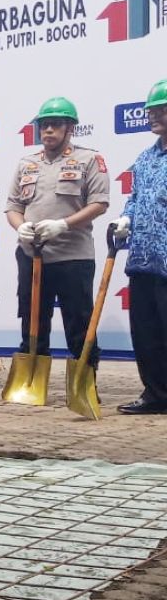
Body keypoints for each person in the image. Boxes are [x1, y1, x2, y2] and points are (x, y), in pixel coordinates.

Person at [4, 97, 109, 379]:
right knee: (33, 321)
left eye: (55, 125)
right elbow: (13, 207)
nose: (48, 131)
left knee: (79, 323)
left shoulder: (89, 160)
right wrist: (20, 227)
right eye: (44, 126)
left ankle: (84, 383)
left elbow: (99, 204)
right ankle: (32, 382)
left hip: (73, 257)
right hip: (32, 255)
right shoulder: (27, 163)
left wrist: (63, 224)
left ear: (70, 128)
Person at [114, 79, 167, 414]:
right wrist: (125, 218)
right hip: (143, 260)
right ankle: (157, 394)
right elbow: (134, 199)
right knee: (147, 334)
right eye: (151, 111)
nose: (152, 117)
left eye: (160, 110)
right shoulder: (146, 158)